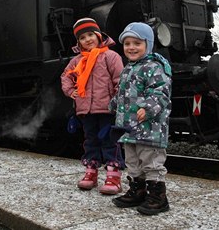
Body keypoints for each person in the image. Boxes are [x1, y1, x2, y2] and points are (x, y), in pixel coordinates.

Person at [110, 22, 172, 215]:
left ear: (148, 44)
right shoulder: (129, 68)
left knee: (151, 161)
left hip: (149, 127)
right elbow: (123, 93)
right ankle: (138, 190)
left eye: (137, 43)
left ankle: (158, 197)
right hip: (129, 128)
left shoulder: (154, 67)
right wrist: (113, 104)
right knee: (133, 161)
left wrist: (147, 107)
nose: (131, 47)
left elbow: (161, 92)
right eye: (127, 43)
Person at [61, 18, 125, 194]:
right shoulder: (77, 61)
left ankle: (114, 176)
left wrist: (117, 101)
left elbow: (120, 80)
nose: (87, 39)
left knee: (110, 141)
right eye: (82, 37)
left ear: (98, 35)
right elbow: (66, 76)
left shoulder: (111, 56)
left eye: (90, 35)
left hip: (106, 109)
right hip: (86, 110)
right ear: (78, 42)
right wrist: (70, 91)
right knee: (90, 141)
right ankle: (91, 173)